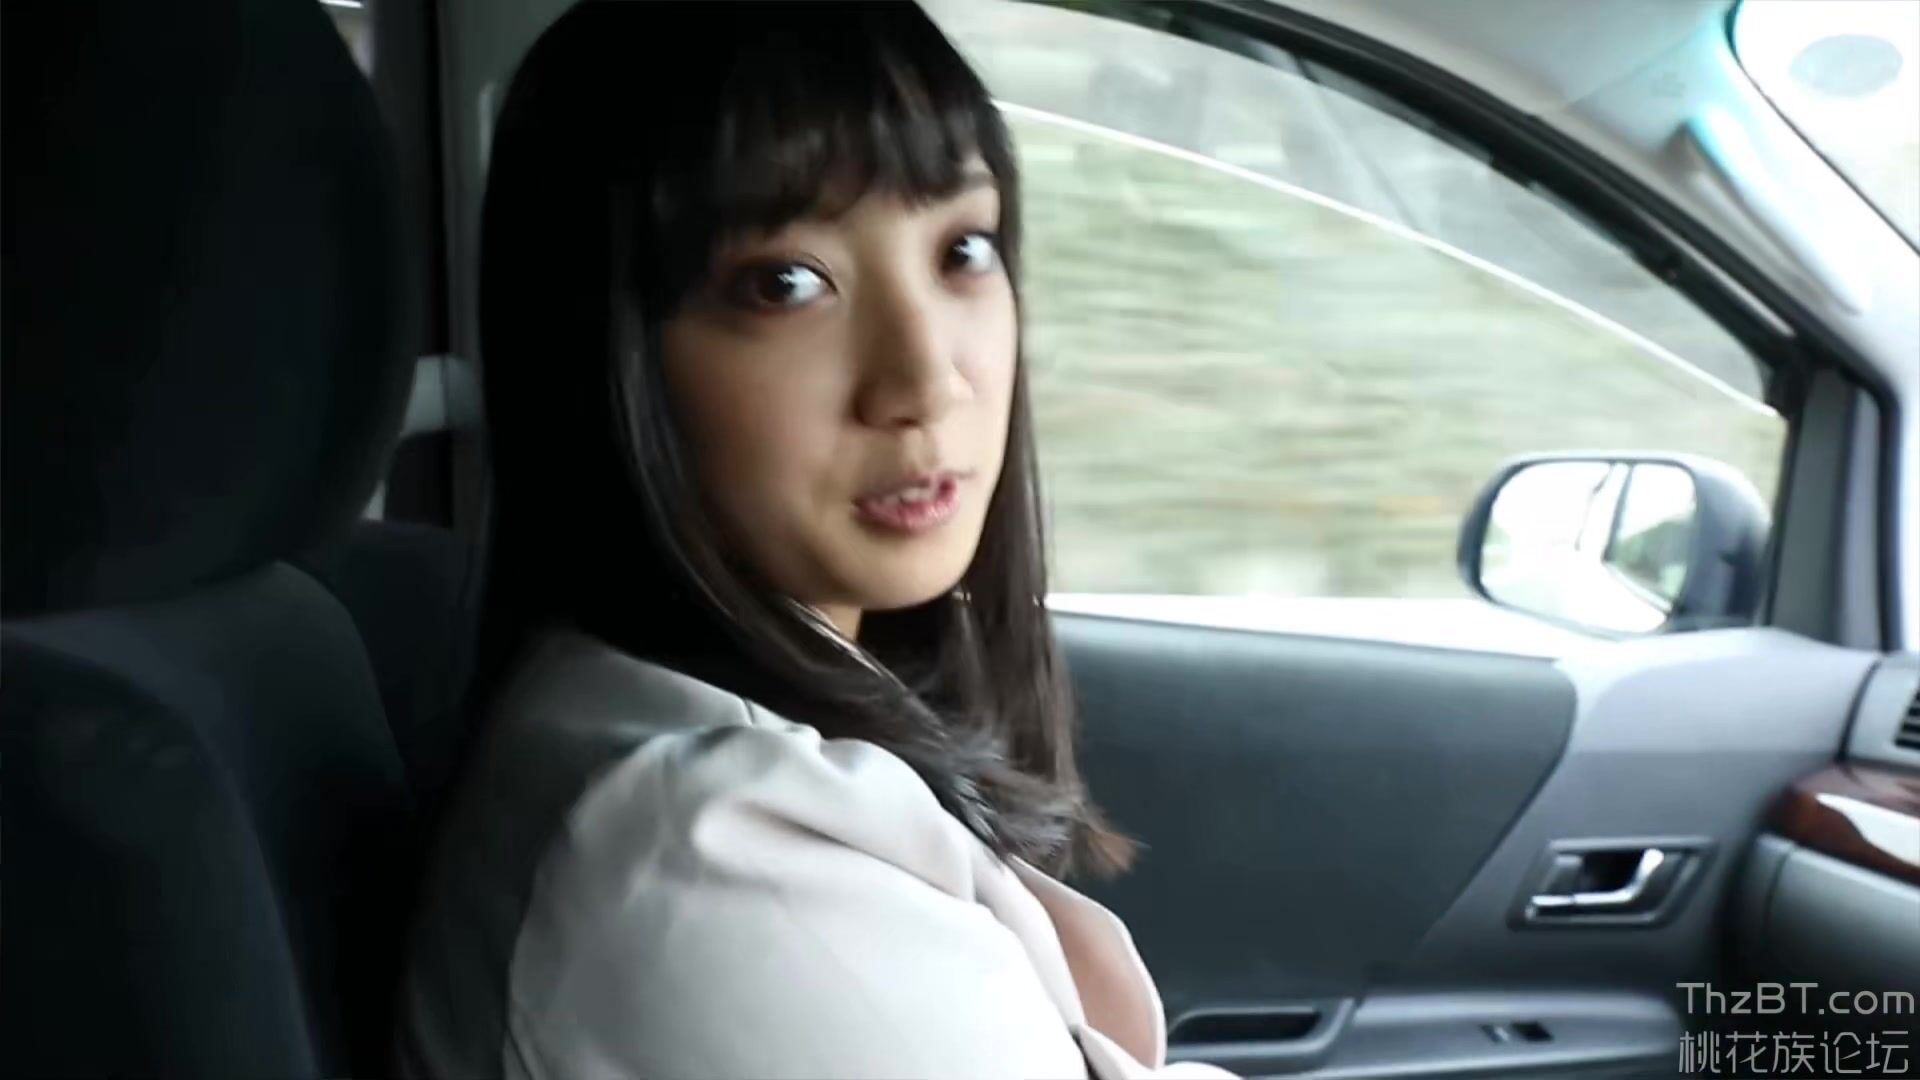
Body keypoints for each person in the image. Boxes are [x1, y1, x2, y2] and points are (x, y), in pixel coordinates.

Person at [396, 3, 1239, 1077]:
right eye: (785, 283)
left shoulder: (708, 739)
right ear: (607, 354)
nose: (927, 379)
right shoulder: (702, 865)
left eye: (964, 250)